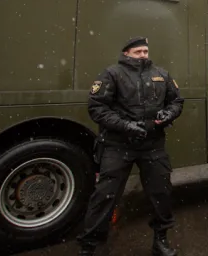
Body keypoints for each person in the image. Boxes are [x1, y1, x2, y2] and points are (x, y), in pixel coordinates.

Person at [78, 37, 183, 256]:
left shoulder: (161, 74)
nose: (144, 55)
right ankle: (89, 246)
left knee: (161, 193)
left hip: (152, 145)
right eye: (138, 52)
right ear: (126, 53)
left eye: (145, 51)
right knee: (105, 195)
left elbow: (176, 101)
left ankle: (160, 240)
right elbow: (97, 108)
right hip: (118, 145)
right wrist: (125, 126)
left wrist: (168, 114)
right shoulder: (111, 74)